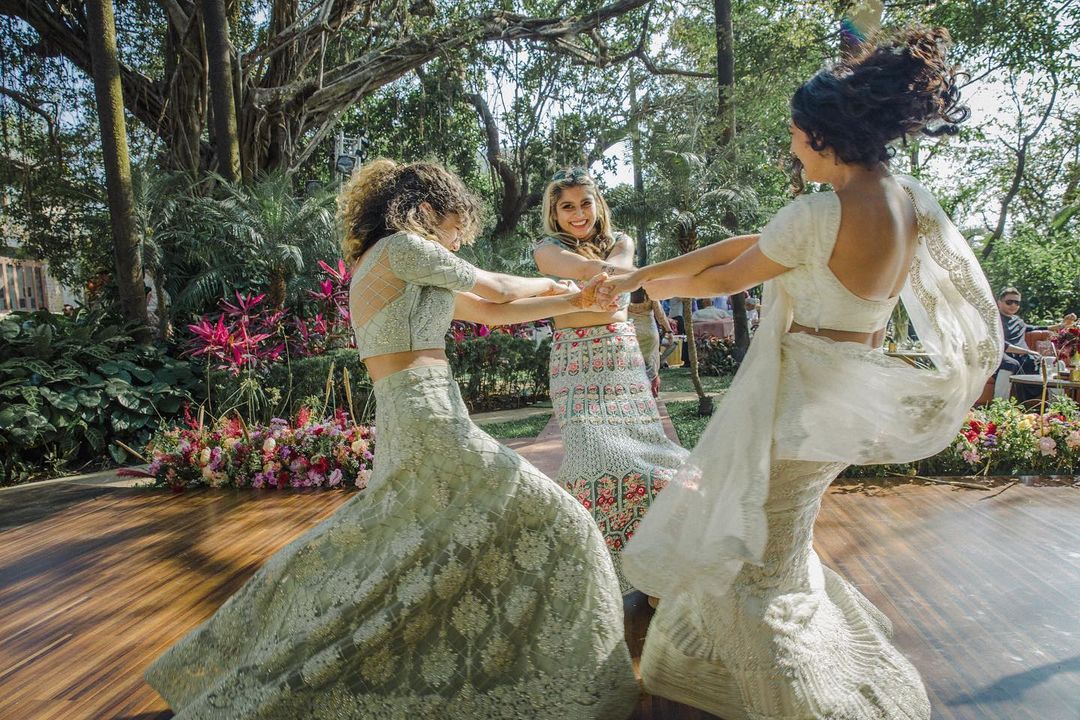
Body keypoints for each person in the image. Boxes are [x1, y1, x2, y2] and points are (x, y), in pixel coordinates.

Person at [601, 27, 1001, 719]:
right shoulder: (908, 201)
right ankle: (714, 676)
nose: (790, 143)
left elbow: (729, 273)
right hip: (853, 387)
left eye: (794, 133)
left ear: (824, 136)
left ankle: (805, 703)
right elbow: (759, 242)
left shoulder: (820, 213)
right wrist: (641, 273)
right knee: (776, 544)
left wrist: (650, 289)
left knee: (756, 569)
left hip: (801, 398)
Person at [145, 159, 639, 719]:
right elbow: (498, 287)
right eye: (456, 228)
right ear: (426, 211)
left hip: (423, 408)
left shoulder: (402, 264)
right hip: (425, 413)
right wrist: (568, 284)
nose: (457, 241)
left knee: (389, 542)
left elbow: (490, 313)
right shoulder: (404, 248)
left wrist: (575, 301)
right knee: (558, 515)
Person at [533, 167, 689, 595]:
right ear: (555, 212)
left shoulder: (623, 241)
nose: (579, 213)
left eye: (585, 203)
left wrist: (613, 275)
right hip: (573, 360)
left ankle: (658, 570)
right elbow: (599, 274)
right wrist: (614, 279)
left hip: (618, 357)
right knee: (589, 460)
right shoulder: (546, 249)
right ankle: (598, 574)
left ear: (597, 204)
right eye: (568, 206)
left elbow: (616, 268)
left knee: (646, 458)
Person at [994, 286, 1076, 401]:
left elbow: (1038, 327)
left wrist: (1063, 325)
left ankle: (1057, 406)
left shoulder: (1018, 321)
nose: (1013, 305)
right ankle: (999, 406)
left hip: (1025, 359)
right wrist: (1026, 351)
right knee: (1010, 364)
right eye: (1009, 302)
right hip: (1004, 356)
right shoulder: (994, 320)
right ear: (999, 303)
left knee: (1054, 363)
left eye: (1016, 303)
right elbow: (1000, 344)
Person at [628, 287, 673, 396]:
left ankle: (636, 391)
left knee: (634, 362)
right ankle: (653, 392)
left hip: (632, 332)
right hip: (650, 333)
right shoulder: (650, 294)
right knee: (651, 362)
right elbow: (660, 314)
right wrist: (669, 330)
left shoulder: (626, 295)